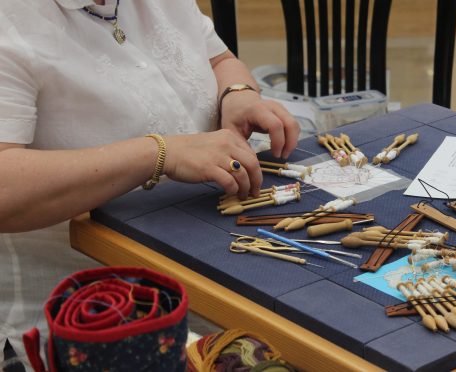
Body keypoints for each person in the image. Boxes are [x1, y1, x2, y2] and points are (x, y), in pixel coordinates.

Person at [0, 0, 299, 367]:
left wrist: (238, 93)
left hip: (217, 265)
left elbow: (218, 59)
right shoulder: (11, 22)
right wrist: (160, 154)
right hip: (100, 327)